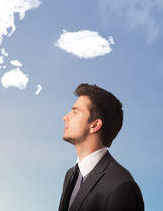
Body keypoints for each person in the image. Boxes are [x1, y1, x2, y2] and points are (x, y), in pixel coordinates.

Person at [58, 83, 144, 211]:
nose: (65, 117)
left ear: (95, 125)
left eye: (75, 112)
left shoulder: (121, 186)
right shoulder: (71, 174)